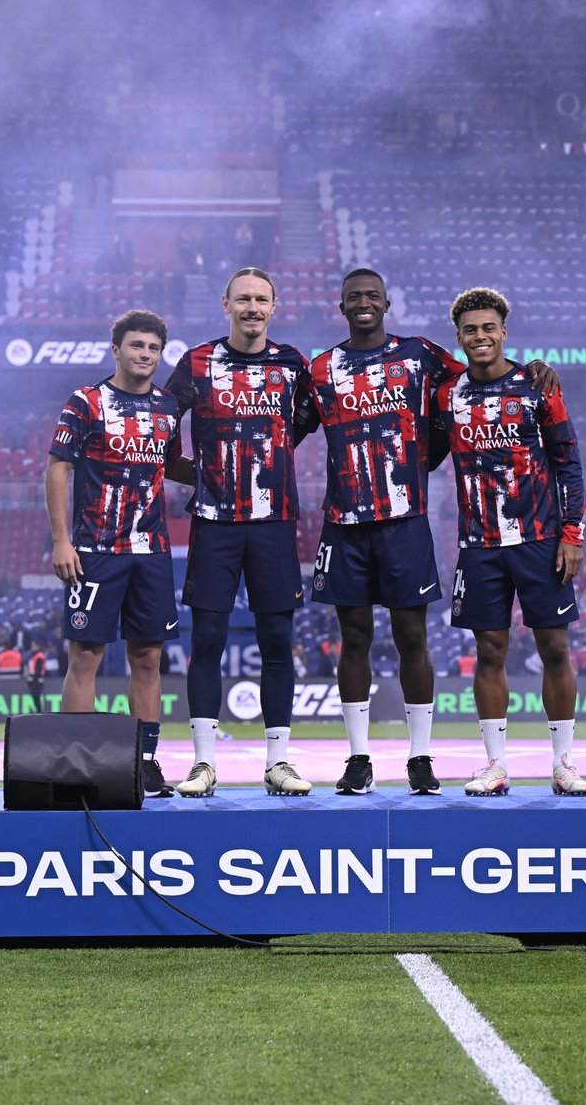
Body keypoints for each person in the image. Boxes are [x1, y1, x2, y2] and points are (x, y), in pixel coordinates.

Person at [308, 268, 559, 796]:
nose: (363, 303)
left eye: (372, 295)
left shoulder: (421, 355)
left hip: (405, 521)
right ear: (341, 305)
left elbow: (483, 371)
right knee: (352, 639)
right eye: (353, 296)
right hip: (345, 523)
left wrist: (532, 370)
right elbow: (288, 423)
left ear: (387, 301)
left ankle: (420, 758)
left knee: (412, 638)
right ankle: (358, 759)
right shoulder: (321, 368)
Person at [164, 267, 320, 798]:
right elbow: (162, 419)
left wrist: (273, 452)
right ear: (225, 304)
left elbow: (306, 419)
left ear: (274, 307)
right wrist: (179, 465)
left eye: (261, 299)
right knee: (206, 640)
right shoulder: (198, 362)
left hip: (274, 520)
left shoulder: (293, 364)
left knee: (277, 641)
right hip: (214, 522)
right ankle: (204, 765)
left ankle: (278, 763)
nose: (252, 307)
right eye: (243, 299)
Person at [433, 287, 586, 797]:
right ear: (458, 338)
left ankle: (564, 763)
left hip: (541, 539)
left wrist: (572, 535)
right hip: (479, 543)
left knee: (554, 648)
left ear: (504, 331)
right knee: (490, 650)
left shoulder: (537, 386)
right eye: (470, 330)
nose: (480, 337)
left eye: (488, 328)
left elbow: (568, 462)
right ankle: (495, 765)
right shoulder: (446, 394)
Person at [45, 309, 183, 799]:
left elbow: (171, 466)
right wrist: (61, 540)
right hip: (95, 549)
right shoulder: (85, 402)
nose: (144, 355)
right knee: (85, 657)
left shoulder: (168, 407)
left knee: (148, 658)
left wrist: (223, 468)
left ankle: (144, 765)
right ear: (116, 349)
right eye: (136, 346)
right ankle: (78, 764)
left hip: (152, 551)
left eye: (152, 348)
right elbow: (58, 468)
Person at [25, 640, 47, 713]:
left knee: (36, 696)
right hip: (35, 679)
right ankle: (38, 711)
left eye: (33, 646)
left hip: (37, 680)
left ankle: (39, 712)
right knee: (35, 696)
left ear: (37, 646)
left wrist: (33, 679)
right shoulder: (35, 655)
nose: (32, 647)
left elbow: (38, 670)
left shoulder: (39, 656)